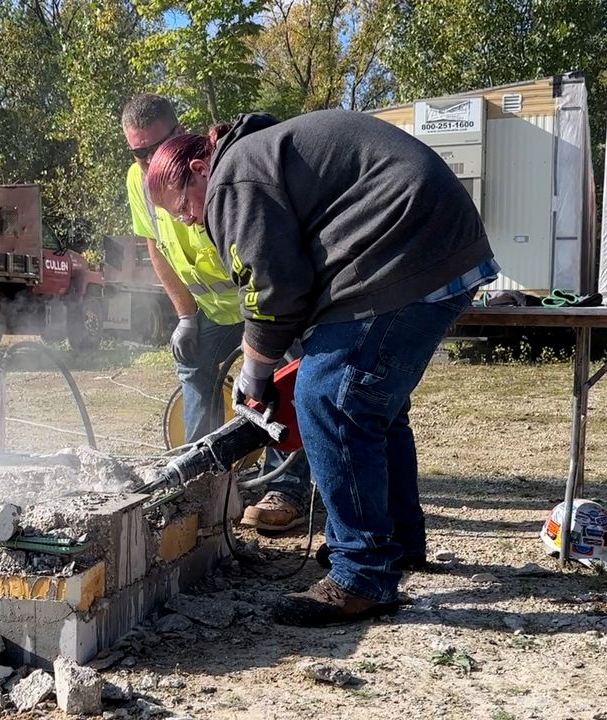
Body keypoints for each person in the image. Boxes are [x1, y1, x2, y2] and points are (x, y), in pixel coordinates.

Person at [146, 109, 499, 626]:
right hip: (432, 242)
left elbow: (273, 291)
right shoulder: (260, 156)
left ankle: (361, 575)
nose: (191, 221)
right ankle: (396, 543)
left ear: (201, 167)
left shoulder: (232, 179)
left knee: (328, 398)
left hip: (406, 246)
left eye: (184, 208)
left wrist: (255, 372)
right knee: (373, 405)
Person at [122, 93, 312, 534]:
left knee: (279, 380)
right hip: (209, 306)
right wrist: (185, 315)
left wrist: (261, 340)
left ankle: (286, 487)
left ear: (179, 132)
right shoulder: (140, 182)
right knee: (193, 367)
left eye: (155, 147)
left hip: (259, 298)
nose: (149, 160)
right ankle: (201, 477)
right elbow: (156, 247)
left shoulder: (215, 167)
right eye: (138, 152)